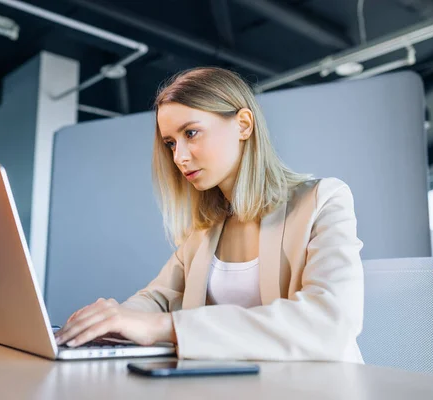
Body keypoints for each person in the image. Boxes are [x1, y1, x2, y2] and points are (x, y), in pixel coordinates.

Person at [54, 67, 364, 363]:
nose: (179, 157)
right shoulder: (205, 230)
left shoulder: (323, 200)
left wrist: (167, 328)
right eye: (170, 143)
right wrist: (112, 319)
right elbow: (159, 298)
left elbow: (330, 322)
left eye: (191, 133)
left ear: (243, 125)